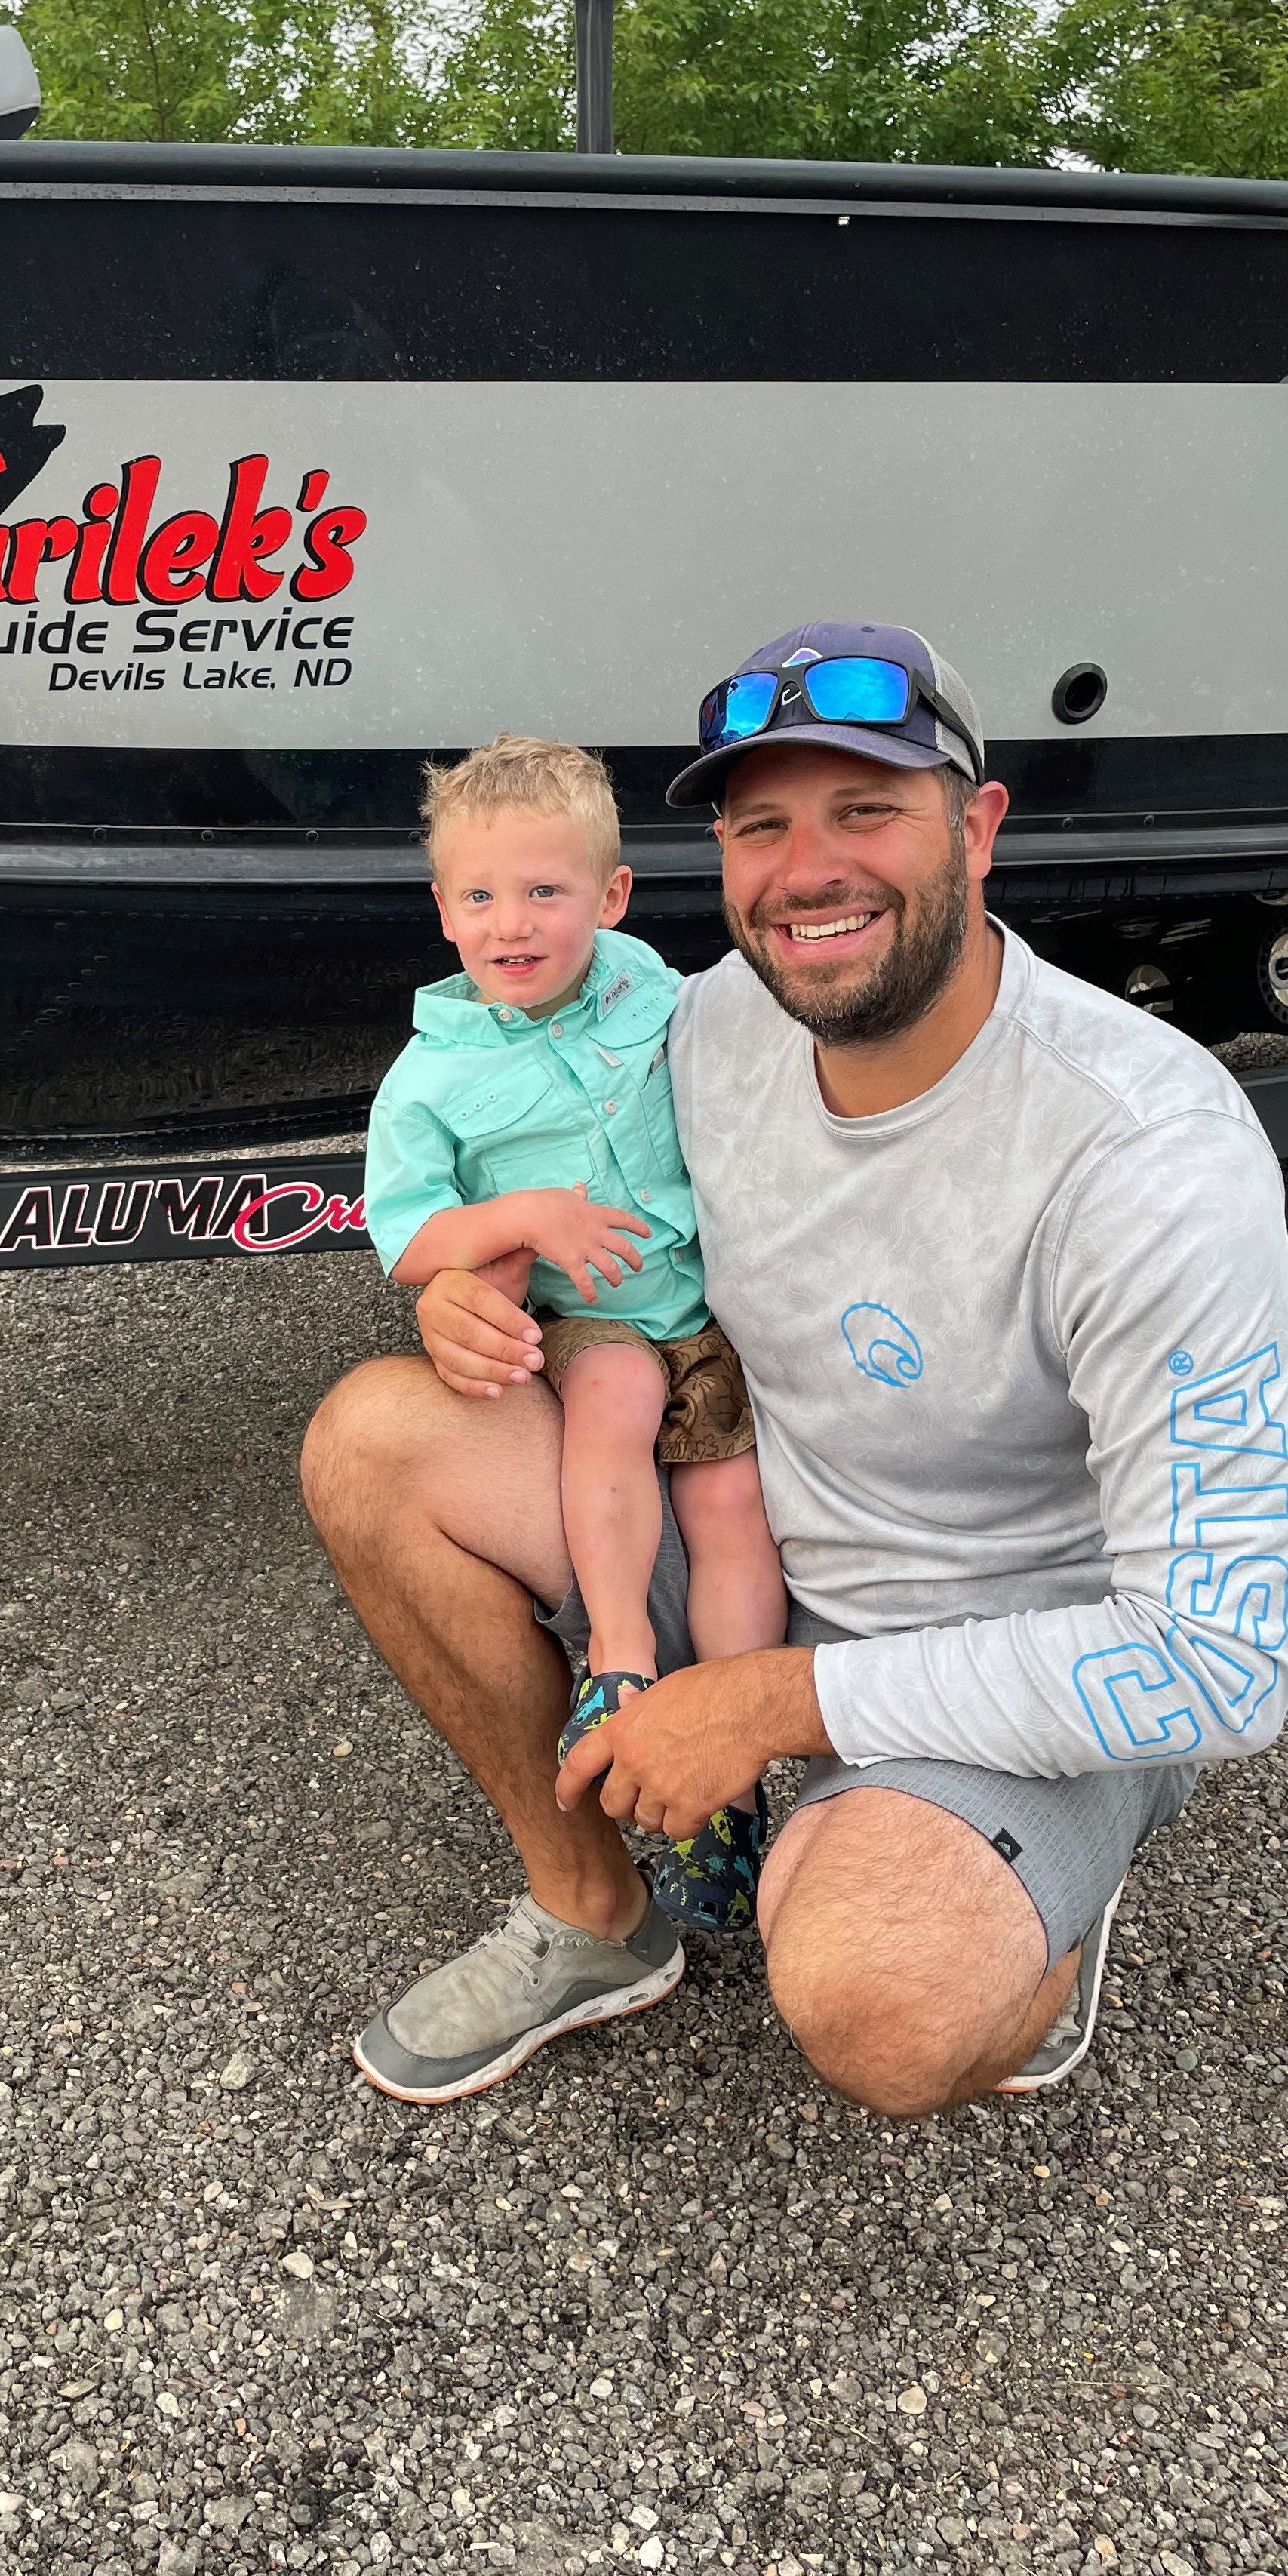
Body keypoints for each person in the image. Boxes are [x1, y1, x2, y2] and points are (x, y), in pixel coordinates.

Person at [303, 621, 1288, 2115]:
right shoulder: (704, 1029)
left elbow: (1220, 1662)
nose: (810, 868)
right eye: (761, 825)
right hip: (752, 1545)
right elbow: (548, 1197)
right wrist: (473, 1285)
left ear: (978, 828)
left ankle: (1021, 1879)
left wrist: (776, 1705)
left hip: (1002, 1643)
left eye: (867, 809)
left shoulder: (1150, 1158)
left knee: (880, 1995)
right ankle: (593, 1914)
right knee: (372, 1443)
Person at [362, 734, 787, 1940]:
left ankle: (728, 1773)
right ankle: (619, 1660)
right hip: (595, 1317)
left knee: (731, 1508)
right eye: (481, 896)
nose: (512, 923)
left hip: (709, 1309)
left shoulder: (656, 990)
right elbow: (410, 1238)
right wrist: (521, 1219)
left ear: (610, 898)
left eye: (546, 891)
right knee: (612, 1406)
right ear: (442, 910)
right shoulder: (428, 1080)